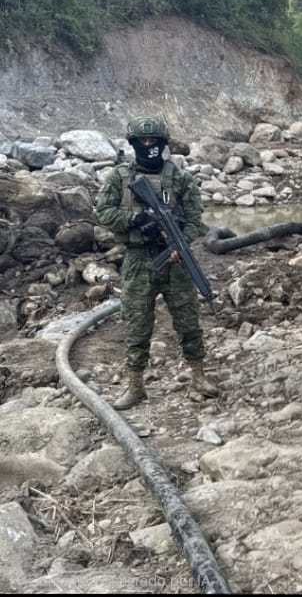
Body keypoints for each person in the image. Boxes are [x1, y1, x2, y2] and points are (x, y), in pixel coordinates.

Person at [95, 115, 219, 410]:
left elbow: (193, 220)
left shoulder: (180, 178)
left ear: (163, 144)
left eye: (154, 142)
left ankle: (198, 376)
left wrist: (179, 244)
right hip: (138, 260)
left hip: (175, 262)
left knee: (188, 321)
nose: (148, 145)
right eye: (142, 141)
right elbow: (104, 212)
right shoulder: (119, 177)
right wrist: (135, 220)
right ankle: (135, 386)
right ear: (134, 144)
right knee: (137, 323)